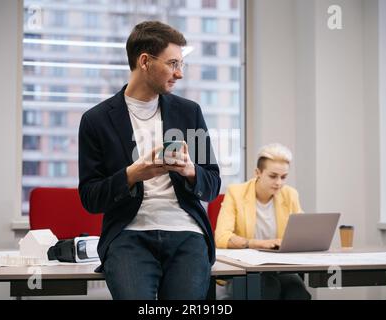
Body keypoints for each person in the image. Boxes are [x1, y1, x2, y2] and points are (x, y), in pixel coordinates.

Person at [78, 21, 221, 300]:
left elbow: (213, 185)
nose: (179, 73)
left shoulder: (188, 113)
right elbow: (90, 198)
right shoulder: (96, 120)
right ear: (145, 61)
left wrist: (191, 171)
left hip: (186, 233)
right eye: (172, 63)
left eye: (182, 65)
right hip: (128, 236)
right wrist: (131, 175)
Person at [215, 143, 311, 300]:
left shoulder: (290, 195)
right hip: (247, 269)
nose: (279, 182)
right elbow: (221, 237)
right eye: (273, 176)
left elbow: (301, 233)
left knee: (298, 292)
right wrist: (257, 243)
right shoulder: (236, 193)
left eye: (284, 177)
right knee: (268, 288)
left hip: (280, 267)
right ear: (257, 172)